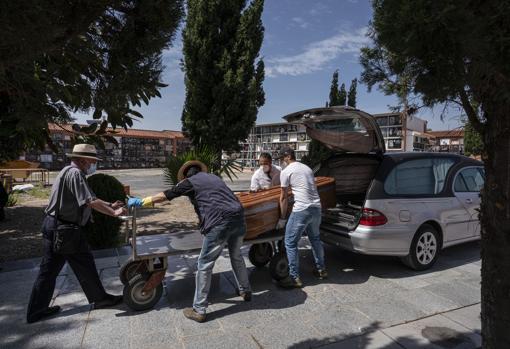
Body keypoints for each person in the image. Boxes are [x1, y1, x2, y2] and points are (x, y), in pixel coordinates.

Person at [127, 160, 251, 323]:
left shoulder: (189, 182)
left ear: (186, 175)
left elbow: (166, 195)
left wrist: (143, 201)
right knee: (236, 256)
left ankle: (199, 309)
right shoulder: (214, 178)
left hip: (220, 223)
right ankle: (245, 291)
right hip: (239, 219)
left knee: (204, 264)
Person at [27, 144, 126, 324]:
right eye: (91, 161)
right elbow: (89, 201)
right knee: (84, 263)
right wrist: (113, 213)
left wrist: (110, 205)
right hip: (65, 230)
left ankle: (36, 311)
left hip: (54, 225)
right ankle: (101, 299)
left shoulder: (67, 171)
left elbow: (91, 196)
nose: (92, 164)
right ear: (82, 159)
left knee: (48, 271)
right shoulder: (76, 174)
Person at [275, 147, 327, 288]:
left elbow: (283, 197)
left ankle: (294, 278)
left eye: (281, 159)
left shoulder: (286, 172)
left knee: (290, 243)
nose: (281, 162)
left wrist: (282, 218)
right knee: (315, 239)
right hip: (316, 208)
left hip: (302, 210)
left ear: (287, 157)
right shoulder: (307, 168)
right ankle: (321, 270)